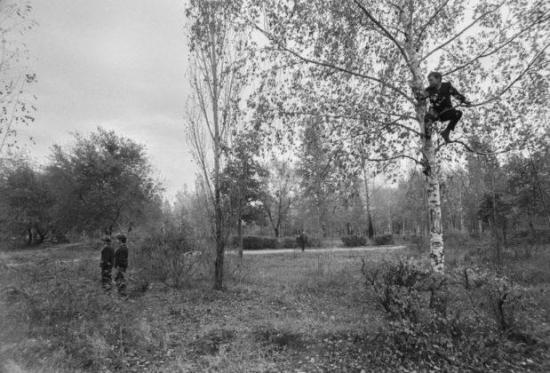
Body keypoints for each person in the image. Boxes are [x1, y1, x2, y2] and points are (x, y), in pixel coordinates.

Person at [419, 71, 471, 143]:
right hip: (435, 112)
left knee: (458, 113)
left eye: (431, 80)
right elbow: (420, 97)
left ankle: (446, 132)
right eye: (429, 81)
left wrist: (464, 101)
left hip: (447, 111)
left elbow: (456, 94)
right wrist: (414, 88)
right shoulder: (429, 90)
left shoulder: (447, 86)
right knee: (427, 118)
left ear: (438, 79)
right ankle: (427, 138)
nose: (429, 82)